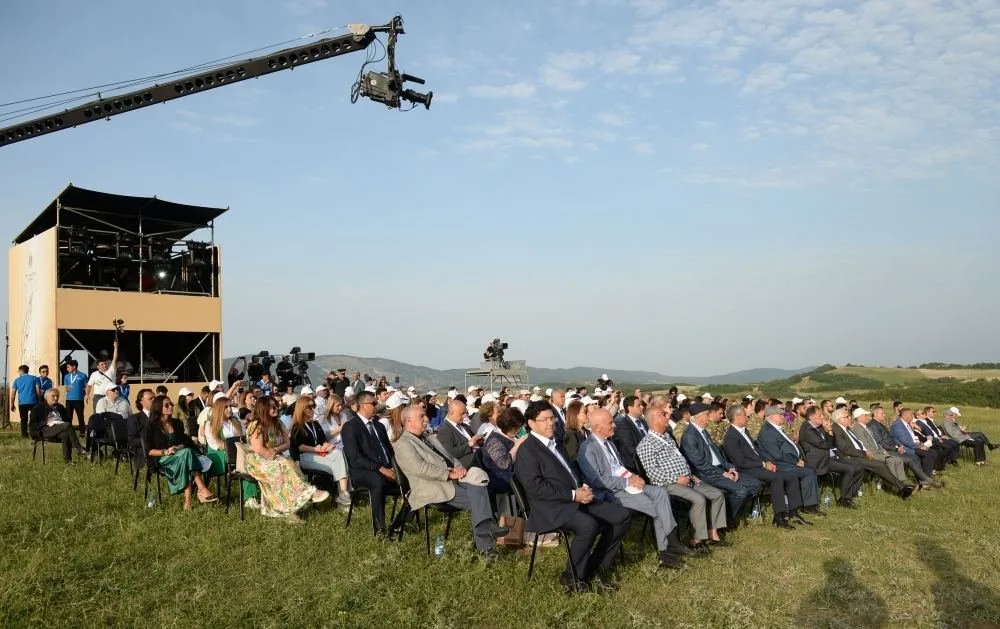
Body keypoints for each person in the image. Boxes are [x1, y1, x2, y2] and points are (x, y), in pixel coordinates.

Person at [512, 401, 632, 593]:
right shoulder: (528, 450)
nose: (551, 423)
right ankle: (572, 577)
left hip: (572, 498)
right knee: (588, 525)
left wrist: (581, 486)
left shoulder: (556, 442)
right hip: (549, 507)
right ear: (531, 423)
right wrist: (574, 494)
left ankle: (596, 567)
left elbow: (569, 472)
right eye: (545, 420)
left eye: (552, 418)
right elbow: (536, 488)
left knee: (622, 516)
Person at [577, 409, 687, 569]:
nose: (614, 425)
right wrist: (628, 481)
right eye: (610, 423)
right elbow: (598, 480)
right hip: (611, 492)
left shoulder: (609, 443)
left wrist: (634, 477)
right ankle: (666, 551)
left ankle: (671, 542)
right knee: (656, 508)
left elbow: (619, 467)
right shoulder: (587, 450)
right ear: (597, 427)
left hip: (626, 485)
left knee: (660, 492)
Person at [394, 405, 508, 559]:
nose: (426, 419)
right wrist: (449, 474)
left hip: (452, 481)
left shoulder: (429, 437)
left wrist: (459, 468)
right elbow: (420, 469)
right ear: (409, 420)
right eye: (422, 416)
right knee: (480, 498)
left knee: (481, 486)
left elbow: (450, 457)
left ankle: (485, 535)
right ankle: (487, 546)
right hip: (432, 487)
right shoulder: (403, 444)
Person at [637, 404, 726, 551]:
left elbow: (680, 460)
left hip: (687, 479)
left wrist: (691, 475)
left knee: (717, 495)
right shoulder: (646, 444)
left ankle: (713, 532)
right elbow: (652, 472)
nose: (667, 416)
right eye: (663, 414)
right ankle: (697, 540)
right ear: (653, 420)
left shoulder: (667, 437)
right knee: (699, 499)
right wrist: (676, 479)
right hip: (668, 484)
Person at [244, 397, 330, 523]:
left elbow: (287, 443)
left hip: (275, 456)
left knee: (288, 464)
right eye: (272, 406)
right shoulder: (256, 425)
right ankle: (308, 493)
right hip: (258, 460)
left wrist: (276, 450)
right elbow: (258, 448)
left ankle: (291, 511)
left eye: (276, 405)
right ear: (263, 409)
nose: (276, 408)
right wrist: (273, 455)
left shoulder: (279, 423)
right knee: (282, 468)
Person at [721, 404, 807, 528]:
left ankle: (794, 512)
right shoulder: (731, 437)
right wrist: (763, 464)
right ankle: (779, 516)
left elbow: (757, 450)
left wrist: (769, 461)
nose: (747, 417)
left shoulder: (744, 431)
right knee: (776, 478)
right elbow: (740, 462)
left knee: (791, 475)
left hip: (758, 465)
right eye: (745, 415)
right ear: (737, 417)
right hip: (747, 469)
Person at [680, 402, 760, 521]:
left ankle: (729, 513)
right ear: (698, 417)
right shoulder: (689, 436)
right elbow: (700, 464)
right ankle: (726, 520)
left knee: (755, 484)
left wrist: (730, 467)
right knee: (741, 491)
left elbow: (717, 456)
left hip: (718, 469)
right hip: (707, 474)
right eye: (707, 414)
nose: (709, 417)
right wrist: (722, 473)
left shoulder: (703, 432)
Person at [143, 395, 218, 510]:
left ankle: (187, 503)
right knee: (187, 454)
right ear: (158, 408)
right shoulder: (151, 425)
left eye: (171, 404)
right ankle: (201, 488)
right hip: (162, 458)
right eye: (166, 405)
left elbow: (184, 442)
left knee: (185, 456)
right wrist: (165, 452)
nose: (170, 407)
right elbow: (150, 451)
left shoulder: (177, 423)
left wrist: (177, 448)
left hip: (180, 455)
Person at [340, 391, 399, 536]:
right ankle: (380, 529)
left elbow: (389, 451)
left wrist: (395, 467)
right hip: (362, 471)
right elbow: (355, 458)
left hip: (384, 467)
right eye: (373, 403)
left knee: (412, 477)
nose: (376, 406)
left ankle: (401, 523)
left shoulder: (378, 426)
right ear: (362, 406)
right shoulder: (350, 427)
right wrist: (380, 468)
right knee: (377, 481)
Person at [755, 406, 824, 516]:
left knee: (810, 469)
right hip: (779, 464)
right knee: (808, 472)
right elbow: (776, 455)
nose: (784, 417)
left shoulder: (776, 429)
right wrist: (794, 461)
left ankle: (809, 503)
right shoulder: (767, 432)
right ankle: (809, 506)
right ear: (771, 417)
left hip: (787, 461)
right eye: (780, 415)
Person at [830, 408, 914, 499]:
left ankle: (901, 488)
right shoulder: (837, 429)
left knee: (881, 465)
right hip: (849, 457)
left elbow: (857, 443)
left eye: (849, 416)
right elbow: (845, 449)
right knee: (880, 465)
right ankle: (902, 487)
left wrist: (865, 452)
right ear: (840, 419)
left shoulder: (846, 428)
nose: (850, 418)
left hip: (858, 454)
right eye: (847, 416)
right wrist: (864, 453)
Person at [288, 397, 352, 506]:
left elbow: (323, 440)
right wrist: (316, 449)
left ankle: (343, 494)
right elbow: (300, 447)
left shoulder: (315, 424)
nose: (312, 409)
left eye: (314, 406)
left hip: (318, 454)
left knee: (337, 454)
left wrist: (327, 445)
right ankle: (343, 496)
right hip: (305, 457)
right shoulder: (297, 426)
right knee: (338, 463)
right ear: (302, 409)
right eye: (309, 407)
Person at [799, 405, 865, 509]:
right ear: (812, 417)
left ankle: (850, 494)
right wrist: (829, 431)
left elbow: (831, 443)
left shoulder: (818, 427)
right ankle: (844, 499)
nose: (822, 417)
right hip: (818, 462)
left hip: (829, 457)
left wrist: (828, 431)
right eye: (820, 415)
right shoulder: (807, 429)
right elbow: (824, 444)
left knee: (858, 466)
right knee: (849, 469)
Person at [203, 395, 260, 510]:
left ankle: (254, 496)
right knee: (247, 461)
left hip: (238, 454)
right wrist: (237, 448)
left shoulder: (235, 421)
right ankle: (250, 498)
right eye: (226, 407)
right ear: (219, 409)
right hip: (219, 457)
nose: (230, 409)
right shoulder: (210, 424)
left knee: (251, 460)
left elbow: (245, 437)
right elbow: (216, 445)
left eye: (230, 406)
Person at [28, 388, 86, 463]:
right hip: (44, 430)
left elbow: (67, 419)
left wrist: (60, 422)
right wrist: (46, 422)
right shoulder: (38, 408)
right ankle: (79, 449)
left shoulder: (60, 407)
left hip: (60, 428)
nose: (56, 398)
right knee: (67, 425)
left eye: (57, 396)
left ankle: (68, 461)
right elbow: (32, 425)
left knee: (65, 435)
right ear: (46, 397)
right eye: (53, 396)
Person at [85, 339, 119, 414]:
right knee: (97, 415)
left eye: (105, 364)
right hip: (97, 397)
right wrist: (87, 395)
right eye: (102, 364)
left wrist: (115, 347)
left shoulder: (111, 371)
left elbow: (114, 359)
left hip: (109, 396)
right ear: (97, 366)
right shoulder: (94, 374)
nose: (104, 365)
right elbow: (89, 385)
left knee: (111, 414)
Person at [11, 365, 41, 438]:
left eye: (18, 371)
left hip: (22, 403)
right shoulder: (34, 378)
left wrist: (12, 404)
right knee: (34, 418)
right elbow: (38, 392)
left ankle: (24, 435)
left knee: (23, 419)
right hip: (33, 402)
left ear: (21, 371)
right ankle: (34, 434)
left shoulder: (17, 380)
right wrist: (39, 401)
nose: (18, 372)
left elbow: (13, 394)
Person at [62, 359, 88, 433]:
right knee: (69, 417)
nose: (67, 369)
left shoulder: (83, 375)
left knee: (80, 416)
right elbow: (66, 388)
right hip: (69, 399)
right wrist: (69, 388)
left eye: (68, 367)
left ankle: (82, 433)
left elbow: (86, 387)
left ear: (74, 366)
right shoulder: (66, 376)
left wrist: (85, 394)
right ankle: (68, 432)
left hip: (79, 399)